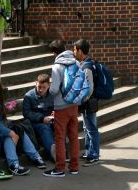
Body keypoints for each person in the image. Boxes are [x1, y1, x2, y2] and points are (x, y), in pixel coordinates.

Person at [0, 75, 43, 176]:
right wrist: (10, 133)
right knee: (9, 135)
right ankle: (14, 164)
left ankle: (35, 156)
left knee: (18, 129)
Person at [47, 42, 89, 177]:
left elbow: (54, 90)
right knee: (73, 136)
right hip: (74, 105)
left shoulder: (56, 66)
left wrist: (49, 87)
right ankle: (74, 167)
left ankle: (59, 169)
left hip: (61, 107)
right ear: (65, 49)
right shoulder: (76, 63)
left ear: (54, 53)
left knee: (59, 138)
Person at [74, 40, 101, 166]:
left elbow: (89, 89)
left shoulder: (87, 67)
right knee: (87, 127)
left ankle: (94, 155)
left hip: (89, 102)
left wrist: (82, 100)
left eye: (75, 50)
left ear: (80, 51)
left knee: (92, 129)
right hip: (89, 102)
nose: (74, 52)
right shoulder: (87, 64)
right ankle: (89, 151)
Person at [23, 73, 56, 161]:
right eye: (39, 87)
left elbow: (56, 107)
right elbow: (26, 113)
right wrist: (41, 118)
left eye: (43, 87)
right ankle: (53, 154)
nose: (40, 90)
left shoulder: (53, 94)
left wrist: (55, 112)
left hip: (50, 119)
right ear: (36, 84)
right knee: (45, 128)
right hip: (36, 122)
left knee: (60, 124)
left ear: (49, 85)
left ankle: (63, 151)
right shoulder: (29, 96)